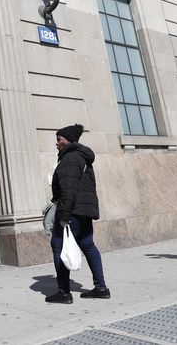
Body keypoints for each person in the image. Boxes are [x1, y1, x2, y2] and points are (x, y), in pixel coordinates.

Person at [46, 123, 109, 304]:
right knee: (87, 244)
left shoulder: (70, 159)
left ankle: (63, 292)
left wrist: (64, 216)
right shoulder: (82, 157)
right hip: (84, 210)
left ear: (68, 140)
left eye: (59, 140)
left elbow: (69, 189)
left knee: (58, 245)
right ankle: (101, 288)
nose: (56, 143)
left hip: (72, 211)